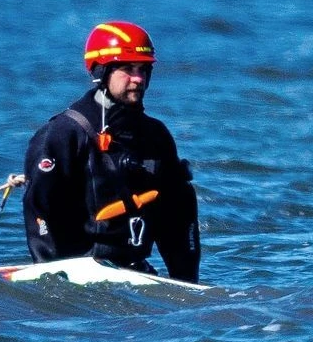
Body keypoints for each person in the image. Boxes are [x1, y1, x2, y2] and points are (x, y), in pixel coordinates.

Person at [19, 21, 201, 281]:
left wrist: (187, 286)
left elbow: (178, 215)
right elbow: (40, 207)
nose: (138, 78)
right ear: (101, 71)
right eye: (127, 69)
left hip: (134, 272)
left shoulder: (156, 136)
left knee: (182, 192)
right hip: (77, 272)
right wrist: (51, 276)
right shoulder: (64, 133)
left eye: (143, 69)